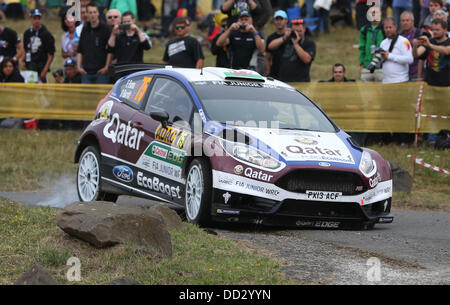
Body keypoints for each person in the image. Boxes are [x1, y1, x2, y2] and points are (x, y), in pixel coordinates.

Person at [77, 2, 112, 84]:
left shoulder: (106, 29)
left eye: (94, 12)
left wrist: (106, 67)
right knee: (85, 97)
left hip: (101, 73)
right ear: (87, 14)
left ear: (98, 13)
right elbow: (80, 50)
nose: (92, 15)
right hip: (86, 73)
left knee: (101, 97)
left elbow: (110, 51)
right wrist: (79, 67)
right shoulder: (85, 29)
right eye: (90, 12)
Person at [21, 9, 55, 83]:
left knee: (43, 90)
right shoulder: (27, 33)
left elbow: (51, 54)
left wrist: (45, 69)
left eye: (39, 18)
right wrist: (21, 60)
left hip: (41, 66)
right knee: (31, 89)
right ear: (30, 19)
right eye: (34, 18)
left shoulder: (46, 34)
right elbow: (25, 48)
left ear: (41, 19)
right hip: (30, 66)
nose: (37, 21)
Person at [413, 18, 450, 86]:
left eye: (437, 30)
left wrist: (430, 45)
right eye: (433, 30)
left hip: (446, 84)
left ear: (445, 30)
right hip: (430, 84)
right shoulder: (429, 41)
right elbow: (416, 54)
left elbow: (446, 51)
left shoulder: (448, 42)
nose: (434, 32)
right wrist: (415, 46)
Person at [380, 17, 414, 83]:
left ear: (395, 27)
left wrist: (390, 56)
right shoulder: (383, 43)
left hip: (401, 80)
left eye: (390, 27)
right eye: (386, 28)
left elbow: (410, 59)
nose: (388, 30)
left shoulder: (404, 41)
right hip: (386, 81)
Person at [359, 7, 385, 82]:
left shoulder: (384, 29)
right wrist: (361, 62)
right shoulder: (364, 30)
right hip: (367, 65)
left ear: (380, 14)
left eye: (376, 13)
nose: (374, 15)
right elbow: (361, 47)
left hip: (380, 67)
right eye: (371, 13)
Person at [265, 9, 288, 78]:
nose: (279, 21)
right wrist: (268, 73)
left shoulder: (292, 36)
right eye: (277, 19)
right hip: (275, 72)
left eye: (281, 19)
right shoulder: (271, 37)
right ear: (274, 21)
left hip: (289, 72)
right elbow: (267, 58)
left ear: (286, 20)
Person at [400, 11, 422, 80]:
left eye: (407, 20)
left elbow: (421, 55)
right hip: (403, 72)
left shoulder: (419, 34)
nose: (405, 23)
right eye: (403, 21)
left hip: (415, 71)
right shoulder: (399, 36)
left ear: (412, 22)